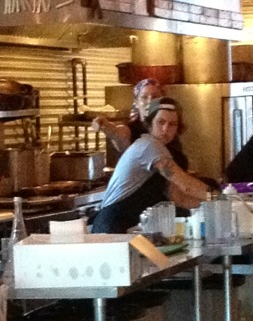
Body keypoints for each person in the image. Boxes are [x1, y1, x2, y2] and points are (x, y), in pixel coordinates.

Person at [89, 98, 211, 233]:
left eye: (172, 124)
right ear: (150, 124)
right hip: (111, 225)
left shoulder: (163, 150)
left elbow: (178, 197)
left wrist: (209, 206)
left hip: (123, 224)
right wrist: (217, 196)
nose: (165, 129)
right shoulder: (149, 146)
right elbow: (186, 185)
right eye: (161, 122)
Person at [95, 77, 191, 170]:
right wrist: (107, 127)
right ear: (136, 102)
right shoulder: (131, 129)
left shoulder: (168, 126)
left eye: (155, 97)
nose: (150, 101)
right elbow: (118, 134)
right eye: (144, 97)